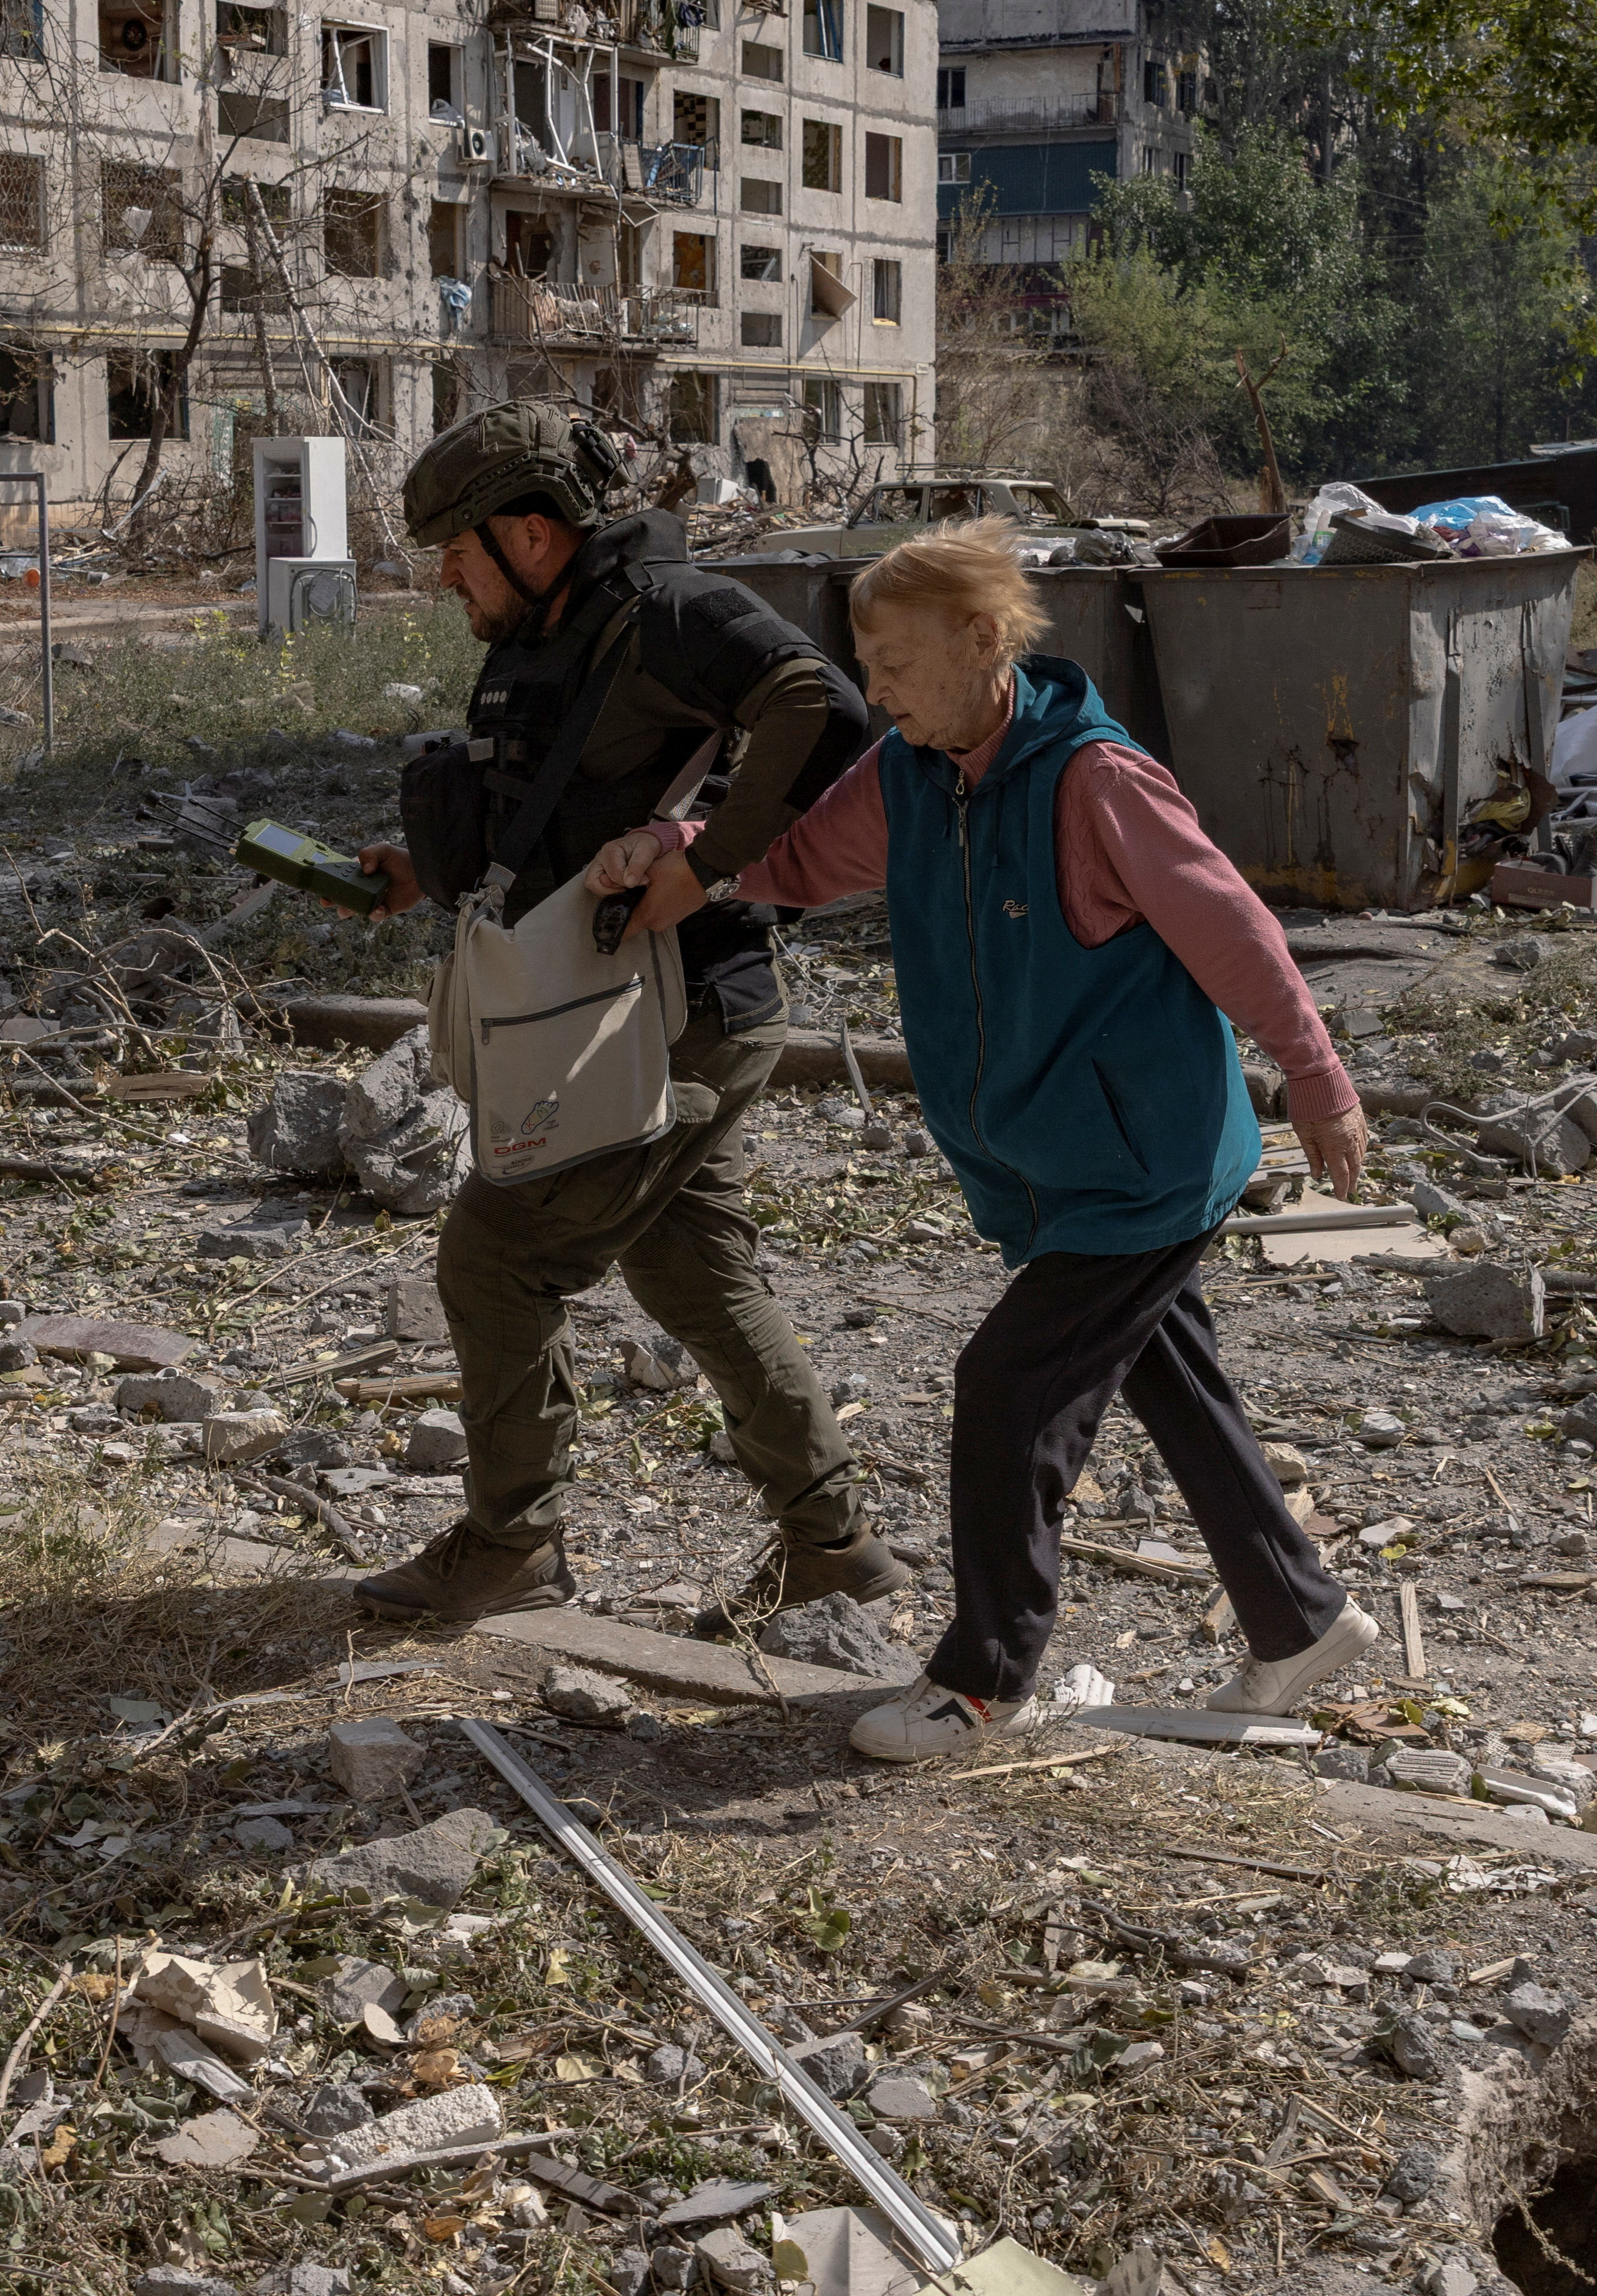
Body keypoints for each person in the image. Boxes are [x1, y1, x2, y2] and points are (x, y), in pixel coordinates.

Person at [581, 518, 1379, 1760]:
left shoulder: (1097, 782)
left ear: (982, 640)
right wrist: (680, 846)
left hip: (1146, 1159)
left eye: (895, 662)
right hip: (1062, 1160)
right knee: (1169, 1373)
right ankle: (1302, 1618)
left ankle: (981, 1677)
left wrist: (1319, 1080)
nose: (877, 689)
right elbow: (797, 858)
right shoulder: (911, 772)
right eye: (867, 662)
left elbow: (1236, 934)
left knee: (1008, 1389)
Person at [346, 401, 898, 1630]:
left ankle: (512, 1546)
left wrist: (709, 862)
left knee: (496, 1256)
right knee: (692, 1269)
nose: (445, 577)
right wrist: (428, 872)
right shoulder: (547, 631)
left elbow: (821, 708)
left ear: (532, 533)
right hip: (623, 1009)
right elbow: (555, 806)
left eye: (458, 551)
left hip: (672, 1013)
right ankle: (836, 1547)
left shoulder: (670, 610)